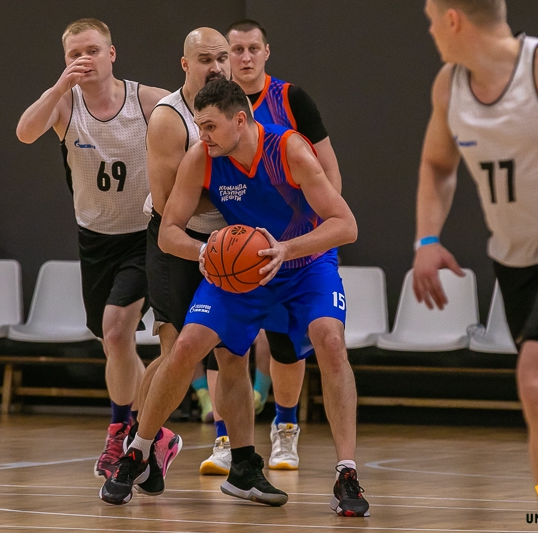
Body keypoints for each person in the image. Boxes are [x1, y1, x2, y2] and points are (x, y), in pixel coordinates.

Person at [102, 79, 369, 517]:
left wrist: (286, 250)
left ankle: (346, 472)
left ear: (240, 120)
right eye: (198, 126)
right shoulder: (202, 158)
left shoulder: (289, 149)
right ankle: (139, 451)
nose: (202, 135)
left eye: (209, 126)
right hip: (242, 269)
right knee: (186, 345)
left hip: (304, 264)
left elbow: (345, 224)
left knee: (331, 342)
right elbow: (168, 232)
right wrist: (203, 251)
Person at [415, 0, 538, 527]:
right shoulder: (449, 86)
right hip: (517, 263)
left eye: (431, 18)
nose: (430, 29)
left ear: (453, 19)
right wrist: (427, 238)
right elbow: (437, 164)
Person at [15, 18, 172, 480]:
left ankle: (121, 431)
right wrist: (58, 87)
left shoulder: (148, 100)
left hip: (145, 233)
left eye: (92, 50)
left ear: (111, 54)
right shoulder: (64, 104)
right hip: (96, 238)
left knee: (118, 329)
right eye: (74, 54)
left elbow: (193, 130)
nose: (84, 59)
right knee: (113, 343)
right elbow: (24, 132)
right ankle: (149, 431)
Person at [212, 17, 346, 473]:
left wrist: (314, 233)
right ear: (226, 56)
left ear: (266, 52)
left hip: (293, 244)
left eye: (253, 48)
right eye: (236, 50)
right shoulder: (211, 105)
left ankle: (285, 427)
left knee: (286, 345)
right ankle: (225, 438)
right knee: (223, 345)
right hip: (237, 244)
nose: (245, 57)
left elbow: (329, 172)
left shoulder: (290, 100)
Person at [132, 28, 239, 482]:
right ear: (185, 65)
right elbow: (165, 203)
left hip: (229, 243)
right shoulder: (169, 117)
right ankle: (140, 442)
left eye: (222, 58)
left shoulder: (241, 107)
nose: (216, 67)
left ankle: (231, 448)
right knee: (177, 352)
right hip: (177, 241)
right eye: (204, 59)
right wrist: (237, 195)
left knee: (231, 351)